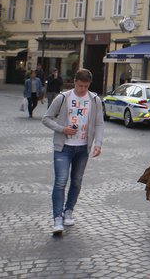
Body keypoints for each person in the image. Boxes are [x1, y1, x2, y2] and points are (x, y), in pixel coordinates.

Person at [42, 69, 104, 235]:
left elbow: (99, 123)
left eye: (85, 86)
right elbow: (46, 118)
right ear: (74, 81)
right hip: (63, 147)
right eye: (79, 85)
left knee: (76, 181)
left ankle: (69, 211)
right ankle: (57, 218)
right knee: (61, 181)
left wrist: (98, 143)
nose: (82, 89)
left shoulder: (95, 100)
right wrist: (63, 129)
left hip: (83, 148)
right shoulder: (63, 98)